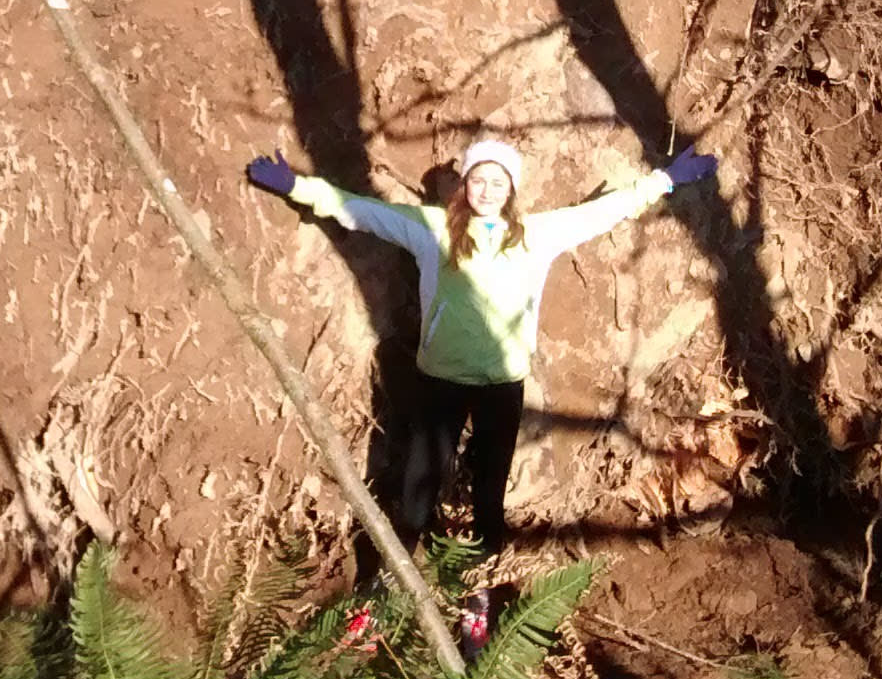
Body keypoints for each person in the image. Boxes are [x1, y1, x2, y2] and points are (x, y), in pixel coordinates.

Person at [246, 135, 717, 559]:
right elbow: (363, 211)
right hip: (441, 380)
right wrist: (297, 187)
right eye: (478, 180)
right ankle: (389, 580)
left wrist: (666, 180)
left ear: (511, 189)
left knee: (490, 490)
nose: (487, 190)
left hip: (502, 385)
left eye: (498, 182)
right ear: (465, 185)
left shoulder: (536, 234)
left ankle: (481, 582)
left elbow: (602, 212)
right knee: (419, 485)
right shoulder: (433, 228)